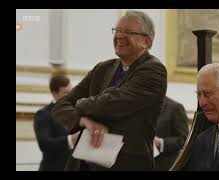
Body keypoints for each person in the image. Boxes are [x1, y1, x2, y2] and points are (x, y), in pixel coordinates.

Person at [52, 10, 167, 170]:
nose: (119, 36)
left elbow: (111, 103)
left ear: (146, 41)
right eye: (117, 30)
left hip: (126, 164)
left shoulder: (154, 70)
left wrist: (79, 104)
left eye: (128, 32)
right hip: (83, 163)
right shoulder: (102, 68)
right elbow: (61, 106)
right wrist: (82, 120)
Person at [33, 75, 80, 171]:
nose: (70, 95)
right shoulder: (43, 114)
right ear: (54, 93)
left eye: (71, 91)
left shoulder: (76, 112)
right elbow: (44, 143)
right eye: (66, 93)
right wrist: (71, 139)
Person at [154, 96, 189, 170]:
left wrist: (160, 143)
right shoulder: (139, 105)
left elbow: (184, 139)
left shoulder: (175, 107)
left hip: (164, 166)